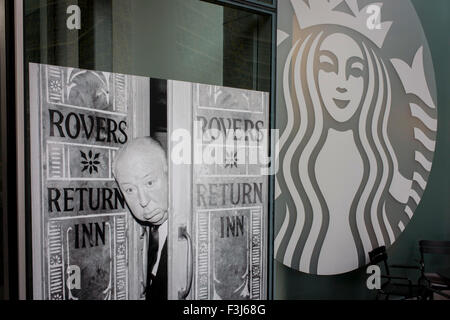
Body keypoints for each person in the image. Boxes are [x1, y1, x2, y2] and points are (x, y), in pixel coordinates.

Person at [112, 137, 168, 300]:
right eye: (129, 190)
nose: (143, 201)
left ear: (170, 174)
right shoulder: (140, 235)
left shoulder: (194, 233)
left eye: (149, 183)